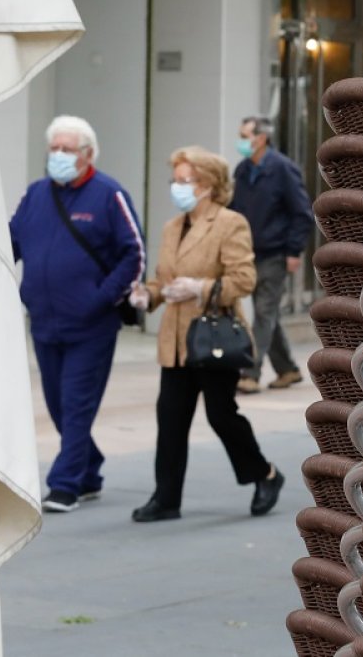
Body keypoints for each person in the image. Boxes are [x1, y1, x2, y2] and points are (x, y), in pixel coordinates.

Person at [126, 146, 284, 523]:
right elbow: (163, 280)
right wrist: (147, 294)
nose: (178, 187)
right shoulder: (172, 228)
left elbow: (244, 279)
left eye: (186, 181)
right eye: (175, 180)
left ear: (209, 185)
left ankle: (265, 475)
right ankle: (166, 499)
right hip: (176, 339)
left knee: (221, 414)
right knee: (171, 417)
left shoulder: (230, 223)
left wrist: (200, 287)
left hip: (214, 336)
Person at [10, 115, 145, 513]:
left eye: (67, 149)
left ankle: (64, 484)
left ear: (88, 155)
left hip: (91, 324)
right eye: (54, 149)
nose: (59, 156)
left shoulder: (108, 194)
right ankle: (89, 470)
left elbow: (133, 253)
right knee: (56, 402)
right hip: (44, 319)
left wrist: (100, 299)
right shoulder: (35, 195)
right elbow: (10, 241)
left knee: (76, 402)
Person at [229, 115, 315, 394]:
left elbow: (302, 213)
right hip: (248, 254)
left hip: (275, 253)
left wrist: (293, 250)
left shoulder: (283, 169)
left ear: (261, 138)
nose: (241, 141)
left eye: (245, 135)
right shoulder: (242, 170)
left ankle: (249, 373)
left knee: (263, 313)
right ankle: (287, 370)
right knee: (270, 316)